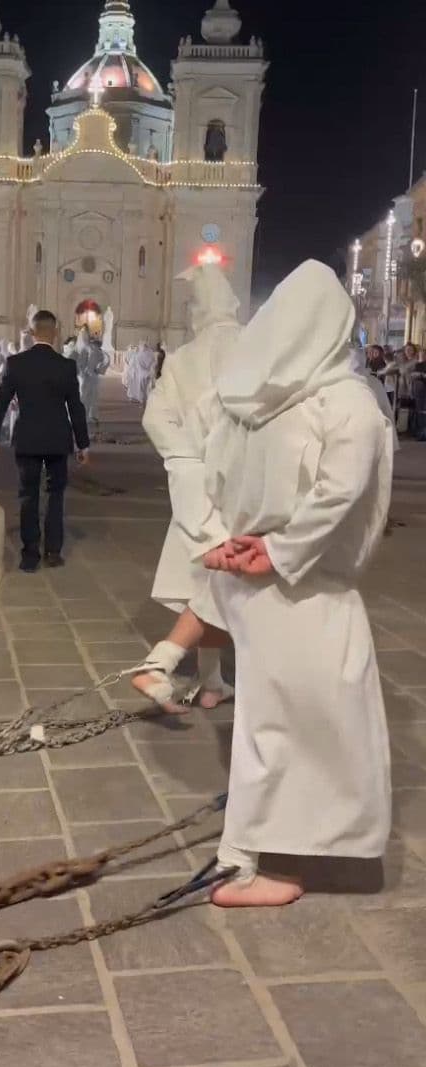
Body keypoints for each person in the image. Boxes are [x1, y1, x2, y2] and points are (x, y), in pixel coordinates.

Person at [196, 260, 393, 908]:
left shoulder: (249, 398)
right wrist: (281, 551)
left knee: (273, 718)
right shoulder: (346, 401)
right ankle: (259, 859)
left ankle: (256, 846)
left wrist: (233, 539)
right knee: (304, 724)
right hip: (308, 588)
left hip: (255, 578)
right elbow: (341, 494)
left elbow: (214, 475)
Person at [128, 264, 242, 710]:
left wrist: (186, 461)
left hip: (196, 486)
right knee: (239, 586)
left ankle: (211, 681)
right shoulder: (256, 347)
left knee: (206, 585)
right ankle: (183, 670)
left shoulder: (182, 358)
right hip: (247, 484)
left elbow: (155, 418)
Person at [0, 310, 90, 573]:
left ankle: (30, 553)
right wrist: (83, 444)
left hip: (27, 438)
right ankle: (53, 551)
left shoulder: (16, 363)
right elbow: (76, 408)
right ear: (55, 333)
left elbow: (1, 401)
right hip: (57, 438)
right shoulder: (66, 366)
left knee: (28, 494)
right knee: (55, 494)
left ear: (32, 333)